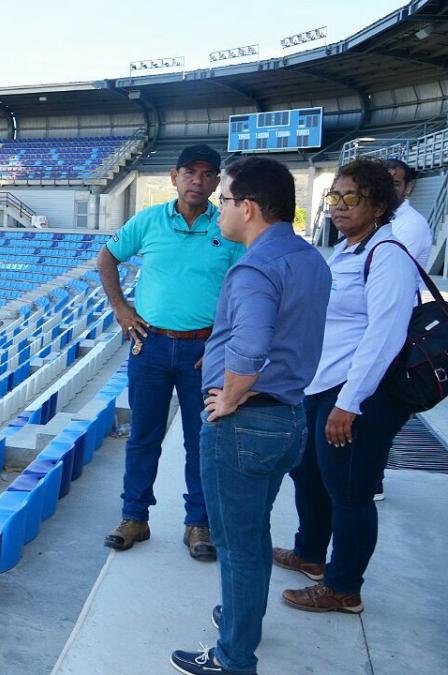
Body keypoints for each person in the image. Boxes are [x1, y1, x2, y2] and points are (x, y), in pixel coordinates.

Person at [170, 157, 331, 675]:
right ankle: (241, 619)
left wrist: (231, 394)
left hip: (247, 424)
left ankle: (233, 658)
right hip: (288, 416)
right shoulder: (308, 258)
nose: (219, 210)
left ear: (250, 207)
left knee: (238, 546)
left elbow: (254, 345)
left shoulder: (255, 265)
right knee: (254, 534)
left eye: (225, 201)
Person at [274, 158, 417, 614]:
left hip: (356, 393)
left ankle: (344, 587)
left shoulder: (388, 254)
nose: (338, 206)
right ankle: (311, 555)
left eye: (350, 197)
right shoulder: (350, 250)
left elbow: (385, 335)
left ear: (378, 204)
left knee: (350, 491)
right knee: (308, 473)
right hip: (322, 384)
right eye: (333, 197)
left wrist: (350, 403)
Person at [97, 144, 244, 561]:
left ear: (217, 182)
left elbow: (246, 287)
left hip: (204, 350)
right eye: (189, 172)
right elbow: (105, 258)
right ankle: (134, 517)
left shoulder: (229, 228)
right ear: (175, 177)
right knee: (143, 436)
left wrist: (225, 340)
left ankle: (198, 524)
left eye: (207, 173)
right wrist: (122, 309)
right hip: (152, 345)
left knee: (203, 440)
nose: (198, 180)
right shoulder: (148, 221)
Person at [373, 158, 430, 501]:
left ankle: (373, 478)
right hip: (381, 325)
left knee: (380, 404)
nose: (388, 188)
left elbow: (385, 280)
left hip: (396, 327)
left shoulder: (409, 225)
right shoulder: (383, 220)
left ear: (407, 188)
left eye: (395, 182)